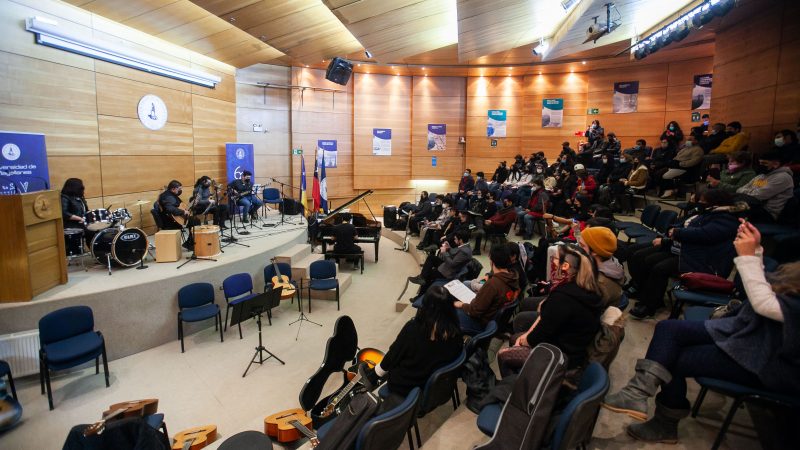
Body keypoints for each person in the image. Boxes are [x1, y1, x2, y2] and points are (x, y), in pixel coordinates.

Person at [602, 221, 800, 444]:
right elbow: (768, 295)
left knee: (672, 359)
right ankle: (636, 393)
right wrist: (755, 251)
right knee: (668, 329)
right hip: (757, 337)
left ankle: (664, 424)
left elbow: (766, 305)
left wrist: (749, 258)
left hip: (774, 360)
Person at [626, 189, 739, 319]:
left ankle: (650, 305)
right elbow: (683, 225)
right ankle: (646, 294)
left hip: (705, 261)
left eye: (703, 201)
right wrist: (673, 230)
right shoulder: (707, 213)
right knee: (649, 260)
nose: (699, 204)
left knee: (659, 268)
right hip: (686, 250)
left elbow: (704, 234)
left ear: (716, 203)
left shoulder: (727, 219)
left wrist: (678, 232)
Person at [498, 243, 603, 377]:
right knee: (515, 338)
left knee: (504, 356)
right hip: (574, 347)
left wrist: (524, 340)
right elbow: (546, 318)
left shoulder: (563, 297)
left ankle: (517, 389)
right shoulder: (587, 285)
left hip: (561, 357)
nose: (552, 261)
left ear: (565, 266)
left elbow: (538, 335)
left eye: (555, 258)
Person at [375, 286, 464, 412]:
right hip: (434, 388)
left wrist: (376, 372)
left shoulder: (413, 329)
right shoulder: (456, 332)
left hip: (406, 387)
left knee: (386, 366)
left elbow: (392, 356)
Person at [454, 244, 520, 334]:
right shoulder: (513, 275)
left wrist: (462, 305)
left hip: (481, 322)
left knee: (449, 310)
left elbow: (474, 311)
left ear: (492, 261)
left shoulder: (492, 284)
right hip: (492, 318)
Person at [735, 149, 794, 223]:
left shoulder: (783, 177)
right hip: (753, 205)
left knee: (733, 210)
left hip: (768, 213)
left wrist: (747, 191)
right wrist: (749, 192)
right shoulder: (762, 175)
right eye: (760, 163)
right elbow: (739, 189)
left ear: (776, 164)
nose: (761, 165)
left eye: (764, 163)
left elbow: (757, 196)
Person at [409, 229, 473, 297]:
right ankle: (422, 277)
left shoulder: (465, 252)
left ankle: (419, 296)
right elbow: (456, 255)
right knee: (431, 258)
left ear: (461, 240)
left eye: (456, 239)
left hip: (449, 271)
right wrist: (449, 248)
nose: (454, 240)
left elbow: (452, 264)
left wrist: (444, 252)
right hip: (448, 265)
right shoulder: (465, 246)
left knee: (428, 274)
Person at [158, 180, 194, 249]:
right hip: (170, 221)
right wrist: (183, 212)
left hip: (172, 218)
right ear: (173, 189)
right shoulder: (168, 197)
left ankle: (189, 242)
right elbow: (170, 209)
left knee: (193, 219)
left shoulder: (171, 194)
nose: (180, 191)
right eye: (179, 189)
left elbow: (178, 205)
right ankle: (189, 243)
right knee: (195, 221)